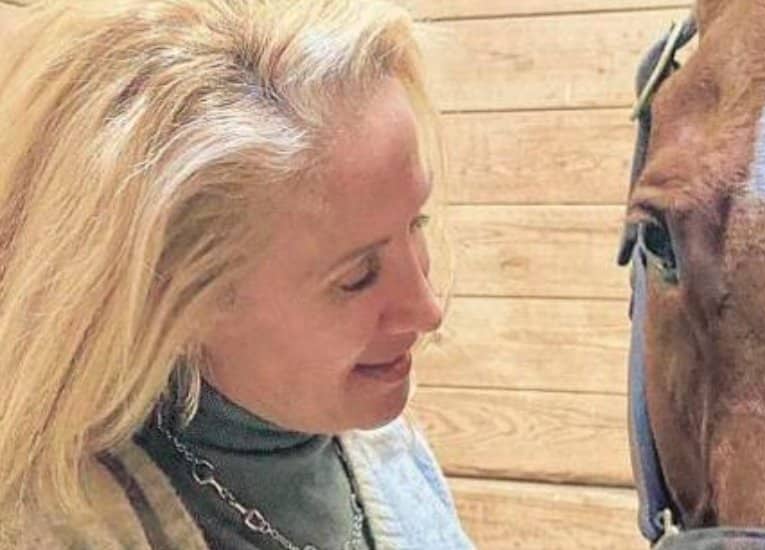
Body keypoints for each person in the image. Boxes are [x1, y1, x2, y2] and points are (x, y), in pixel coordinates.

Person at [0, 1, 473, 548]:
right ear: (175, 296)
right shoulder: (57, 528)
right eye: (357, 277)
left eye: (416, 223)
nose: (428, 310)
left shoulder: (391, 453)